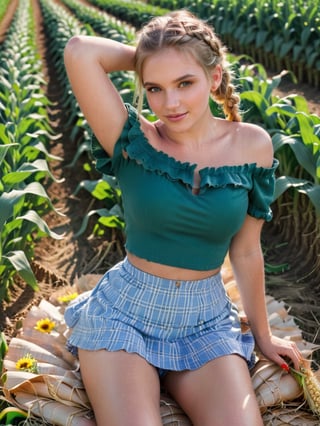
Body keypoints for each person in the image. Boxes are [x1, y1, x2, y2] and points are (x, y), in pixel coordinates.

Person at [63, 10, 302, 426]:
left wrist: (262, 336)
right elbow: (80, 51)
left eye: (185, 83)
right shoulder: (134, 140)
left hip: (205, 320)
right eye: (154, 88)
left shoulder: (253, 146)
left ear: (213, 77)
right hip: (125, 317)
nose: (169, 103)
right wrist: (156, 53)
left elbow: (245, 252)